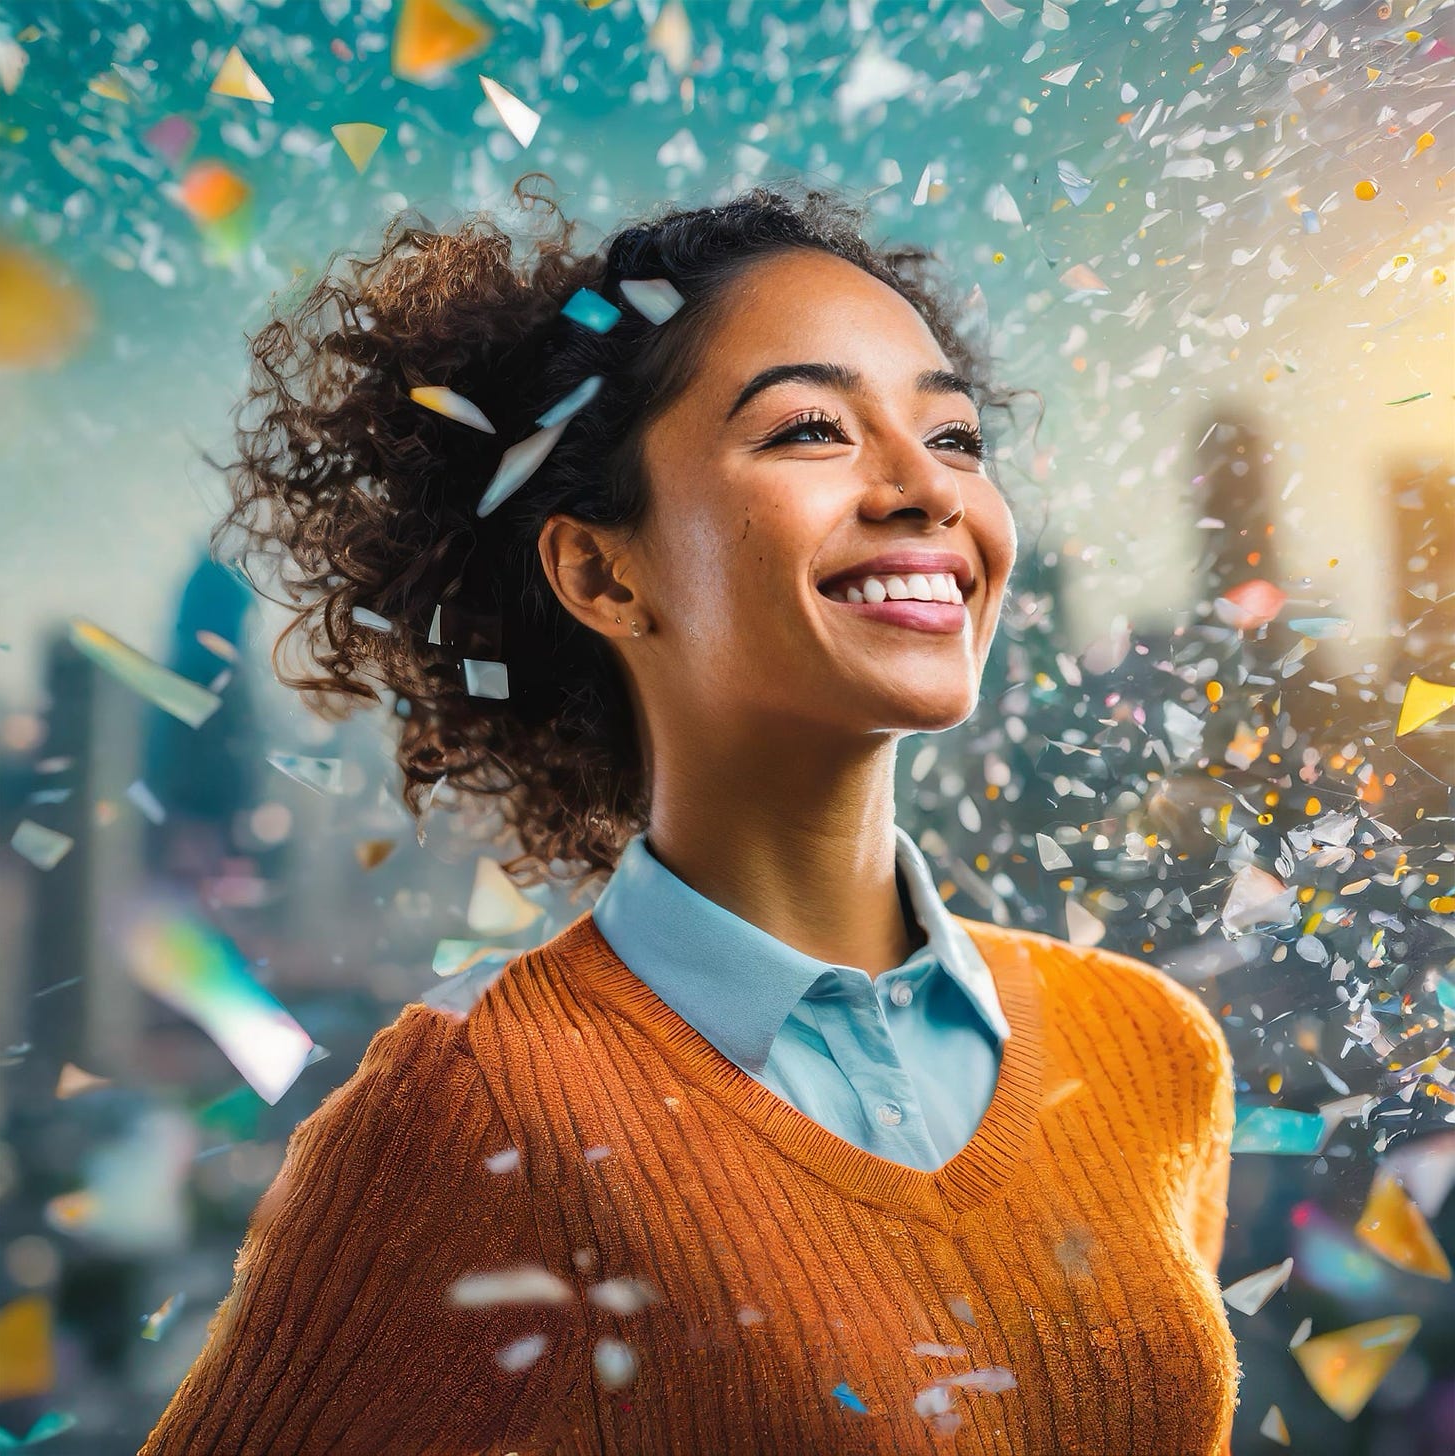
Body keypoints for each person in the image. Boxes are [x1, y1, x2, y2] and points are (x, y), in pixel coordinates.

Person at [140, 179, 1238, 1455]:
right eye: (809, 429)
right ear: (602, 570)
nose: (925, 491)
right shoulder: (475, 1110)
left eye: (953, 437)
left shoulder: (1151, 1049)